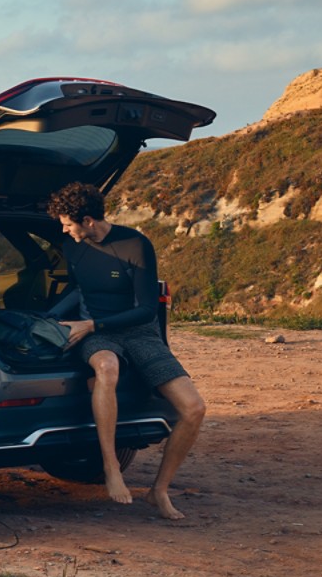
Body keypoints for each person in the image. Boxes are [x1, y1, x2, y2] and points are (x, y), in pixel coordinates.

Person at [45, 183, 205, 520]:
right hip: (96, 333)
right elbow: (78, 290)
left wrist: (91, 326)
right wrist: (51, 318)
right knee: (107, 366)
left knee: (194, 408)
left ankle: (158, 490)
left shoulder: (135, 244)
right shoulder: (72, 247)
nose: (63, 229)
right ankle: (111, 465)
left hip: (136, 331)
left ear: (87, 220)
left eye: (67, 223)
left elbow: (147, 309)